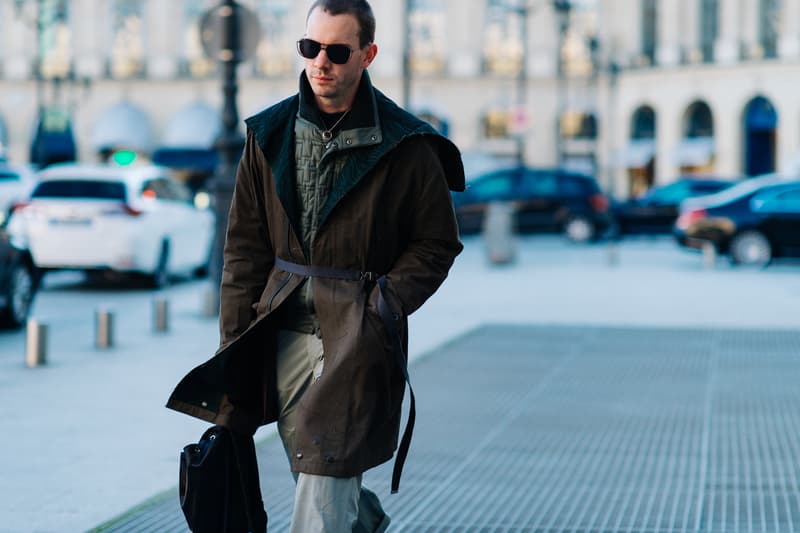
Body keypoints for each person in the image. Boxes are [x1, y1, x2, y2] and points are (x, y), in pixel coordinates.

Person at [167, 0, 465, 530]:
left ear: (367, 54)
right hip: (280, 333)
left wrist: (382, 305)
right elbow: (244, 252)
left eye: (336, 50)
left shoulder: (407, 145)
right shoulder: (270, 135)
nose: (320, 62)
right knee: (317, 475)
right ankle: (362, 520)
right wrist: (232, 348)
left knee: (324, 479)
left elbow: (437, 243)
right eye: (310, 47)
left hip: (356, 335)